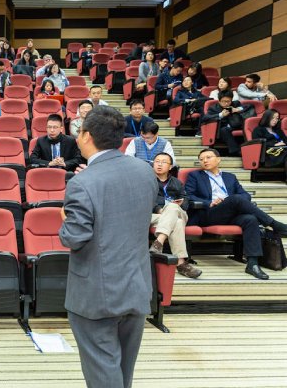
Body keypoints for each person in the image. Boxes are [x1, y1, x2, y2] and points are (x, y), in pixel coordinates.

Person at [59, 105, 158, 388]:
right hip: (136, 286)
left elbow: (74, 237)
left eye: (79, 132)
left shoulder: (83, 182)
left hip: (96, 296)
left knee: (103, 375)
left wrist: (64, 220)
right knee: (123, 374)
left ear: (87, 136)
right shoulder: (145, 171)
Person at [185, 148, 287, 280]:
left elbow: (245, 195)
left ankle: (252, 263)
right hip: (208, 213)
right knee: (235, 199)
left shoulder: (230, 177)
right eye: (201, 159)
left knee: (250, 219)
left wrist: (231, 202)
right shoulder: (195, 176)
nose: (204, 160)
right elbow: (188, 196)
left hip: (231, 213)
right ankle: (274, 224)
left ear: (218, 159)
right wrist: (209, 202)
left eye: (208, 157)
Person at [148, 152, 202, 279]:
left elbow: (186, 199)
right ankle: (181, 263)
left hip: (178, 212)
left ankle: (158, 242)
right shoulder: (147, 181)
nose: (159, 164)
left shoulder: (177, 182)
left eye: (163, 162)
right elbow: (145, 199)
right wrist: (160, 209)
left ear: (170, 166)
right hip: (155, 215)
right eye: (157, 161)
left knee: (173, 208)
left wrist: (180, 204)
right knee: (176, 222)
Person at [201, 90, 252, 156]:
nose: (226, 104)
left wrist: (238, 109)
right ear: (219, 101)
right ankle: (235, 151)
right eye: (223, 101)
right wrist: (220, 115)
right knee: (224, 130)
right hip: (222, 128)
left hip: (237, 125)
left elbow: (249, 106)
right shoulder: (213, 108)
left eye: (228, 101)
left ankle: (249, 150)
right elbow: (205, 118)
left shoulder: (235, 104)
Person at [252, 109, 287, 176]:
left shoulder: (278, 130)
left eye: (277, 118)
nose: (275, 120)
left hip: (282, 151)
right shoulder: (258, 130)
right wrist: (275, 144)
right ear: (267, 117)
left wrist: (283, 143)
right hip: (269, 155)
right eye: (273, 118)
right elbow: (257, 144)